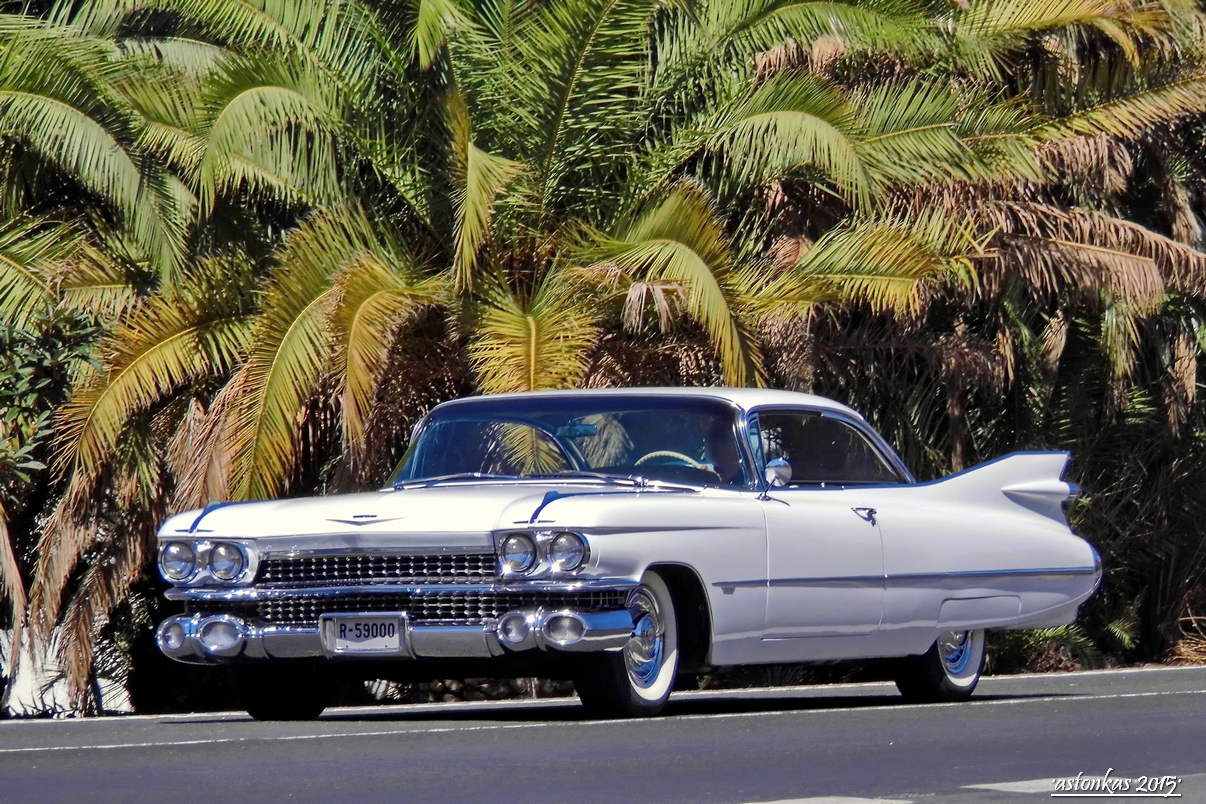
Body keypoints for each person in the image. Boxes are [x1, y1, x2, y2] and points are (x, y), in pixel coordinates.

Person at [704, 417, 747, 486]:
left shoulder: (745, 483)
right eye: (710, 436)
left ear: (737, 444)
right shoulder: (699, 480)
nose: (715, 443)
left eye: (723, 437)